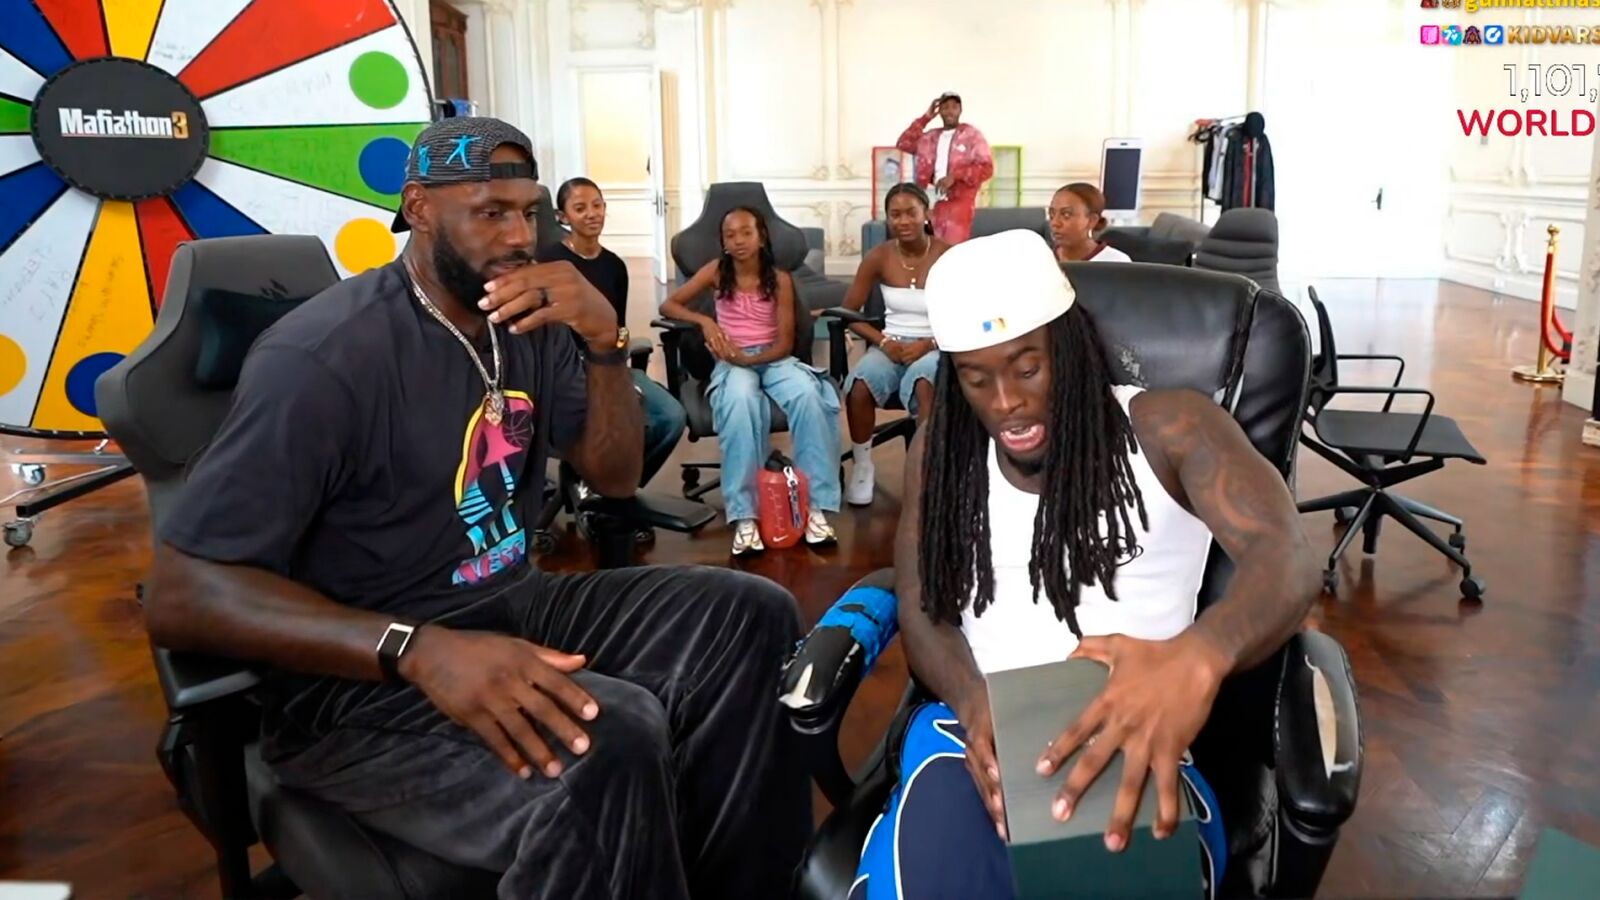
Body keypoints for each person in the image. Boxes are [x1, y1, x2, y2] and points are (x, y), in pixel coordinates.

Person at [143, 117, 811, 900]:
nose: (520, 237)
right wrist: (417, 648)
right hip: (356, 679)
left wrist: (603, 341)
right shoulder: (323, 357)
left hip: (512, 603)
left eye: (529, 212)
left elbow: (615, 474)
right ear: (419, 207)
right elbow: (180, 596)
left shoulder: (525, 321)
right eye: (490, 212)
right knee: (609, 739)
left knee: (752, 613)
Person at [851, 231, 1321, 899]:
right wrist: (974, 703)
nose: (1005, 402)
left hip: (1134, 734)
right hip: (971, 733)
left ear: (1068, 347)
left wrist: (1200, 654)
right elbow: (922, 605)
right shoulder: (943, 452)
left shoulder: (1172, 428)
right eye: (976, 378)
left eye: (1027, 368)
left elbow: (1286, 555)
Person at [660, 207, 842, 555]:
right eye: (730, 235)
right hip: (732, 360)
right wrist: (705, 322)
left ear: (761, 237)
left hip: (773, 357)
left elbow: (785, 343)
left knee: (809, 394)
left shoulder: (780, 279)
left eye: (746, 232)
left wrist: (752, 360)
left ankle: (816, 508)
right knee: (740, 399)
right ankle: (745, 515)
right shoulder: (717, 271)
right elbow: (669, 305)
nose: (739, 241)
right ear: (723, 242)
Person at [537, 176, 687, 494]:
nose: (592, 214)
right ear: (563, 216)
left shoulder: (614, 266)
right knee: (597, 421)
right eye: (580, 208)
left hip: (608, 363)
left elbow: (619, 329)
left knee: (670, 417)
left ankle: (614, 494)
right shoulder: (549, 263)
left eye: (597, 205)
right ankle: (595, 486)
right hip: (564, 370)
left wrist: (619, 358)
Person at [839, 184, 951, 506]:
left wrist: (929, 343)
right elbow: (849, 313)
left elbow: (970, 315)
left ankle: (926, 471)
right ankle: (863, 465)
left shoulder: (948, 255)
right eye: (895, 214)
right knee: (860, 385)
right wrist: (883, 341)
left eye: (911, 213)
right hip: (891, 345)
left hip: (937, 345)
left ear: (926, 214)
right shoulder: (879, 256)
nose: (903, 221)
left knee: (925, 383)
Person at [896, 92, 994, 244]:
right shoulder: (930, 137)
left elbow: (986, 168)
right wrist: (926, 117)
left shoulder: (971, 135)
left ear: (960, 110)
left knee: (952, 249)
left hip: (959, 202)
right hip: (928, 199)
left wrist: (955, 176)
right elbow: (904, 143)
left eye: (954, 107)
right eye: (945, 107)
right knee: (928, 248)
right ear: (939, 110)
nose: (950, 111)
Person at [1048, 182, 1132, 264]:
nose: (1055, 223)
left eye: (1066, 214)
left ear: (1092, 220)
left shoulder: (1116, 262)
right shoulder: (1042, 258)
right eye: (1052, 214)